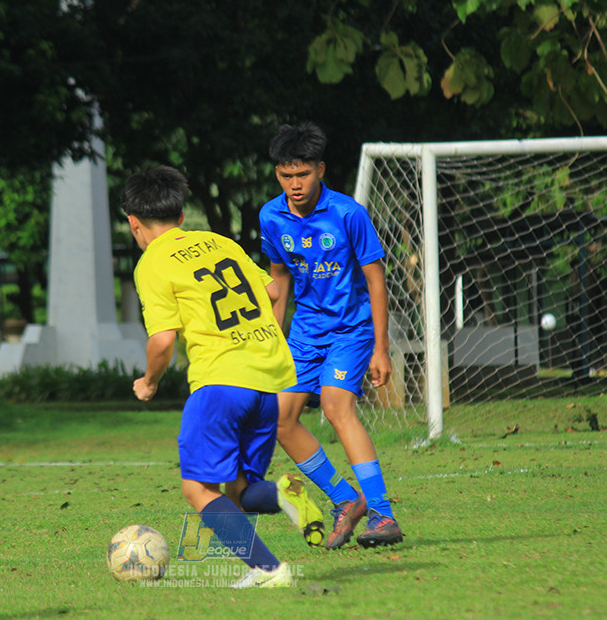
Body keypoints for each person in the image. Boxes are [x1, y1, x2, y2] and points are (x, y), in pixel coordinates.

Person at [124, 165, 316, 588]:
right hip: (267, 379)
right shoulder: (218, 242)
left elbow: (162, 341)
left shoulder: (152, 263)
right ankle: (282, 493)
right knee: (241, 491)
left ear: (134, 223)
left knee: (198, 490)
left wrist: (149, 381)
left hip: (220, 382)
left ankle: (268, 569)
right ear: (180, 216)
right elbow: (272, 291)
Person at [259, 121, 403, 549]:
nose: (295, 184)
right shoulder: (271, 216)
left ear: (320, 170)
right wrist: (272, 342)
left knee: (337, 406)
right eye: (286, 175)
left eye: (303, 174)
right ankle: (346, 500)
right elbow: (278, 280)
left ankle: (382, 514)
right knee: (280, 419)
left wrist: (381, 349)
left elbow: (376, 281)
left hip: (351, 330)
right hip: (304, 334)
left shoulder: (348, 213)